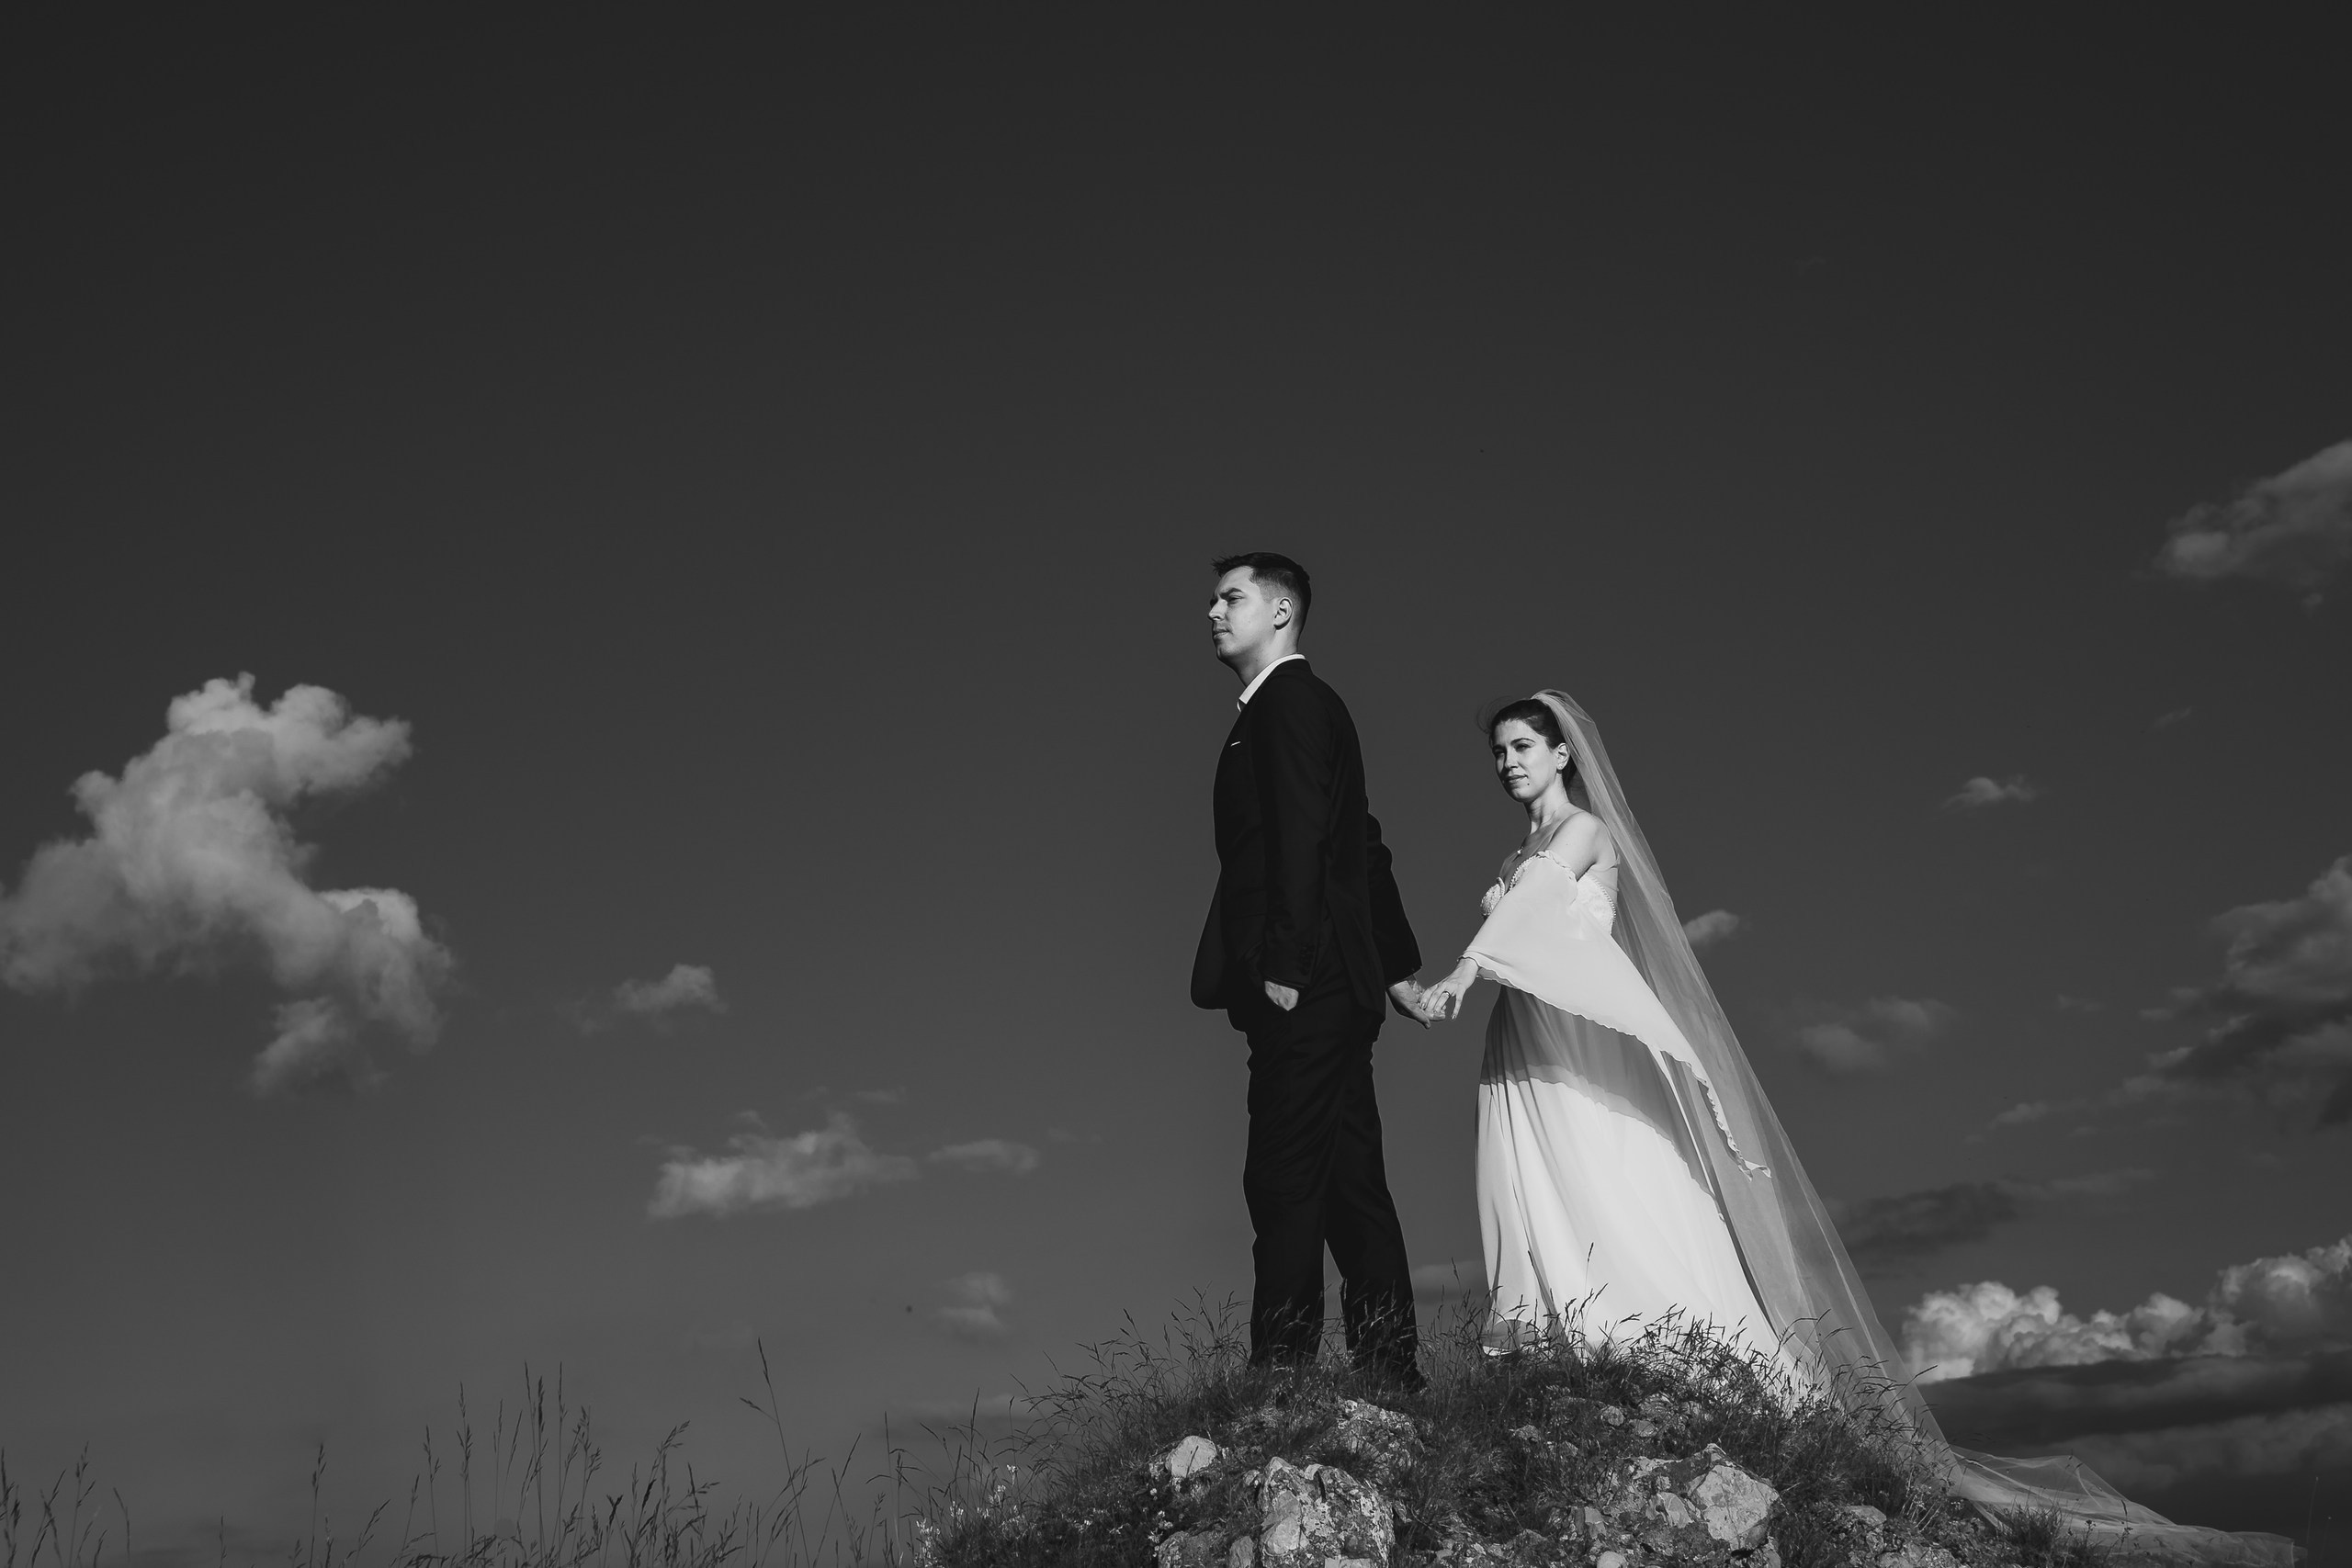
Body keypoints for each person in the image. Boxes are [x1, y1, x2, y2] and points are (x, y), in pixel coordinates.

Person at [1419, 689, 2294, 1565]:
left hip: (1582, 1040)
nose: (1508, 762)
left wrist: (1460, 973)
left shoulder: (1581, 831)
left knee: (1605, 1176)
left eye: (1523, 745)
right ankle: (1555, 1341)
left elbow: (1530, 909)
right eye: (1499, 750)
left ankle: (1651, 1345)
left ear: (1563, 753)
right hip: (1527, 1030)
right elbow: (1523, 915)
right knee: (1528, 1179)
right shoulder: (1517, 848)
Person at [1192, 552, 1428, 1382]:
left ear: (1282, 611)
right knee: (1350, 1178)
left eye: (1232, 597)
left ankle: (1282, 1371)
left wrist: (1287, 965)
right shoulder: (1299, 705)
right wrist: (1393, 969)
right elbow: (1360, 842)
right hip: (1336, 977)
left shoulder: (1287, 701)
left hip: (1305, 979)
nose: (1213, 612)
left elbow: (1305, 835)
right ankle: (1389, 1366)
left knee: (1283, 1174)